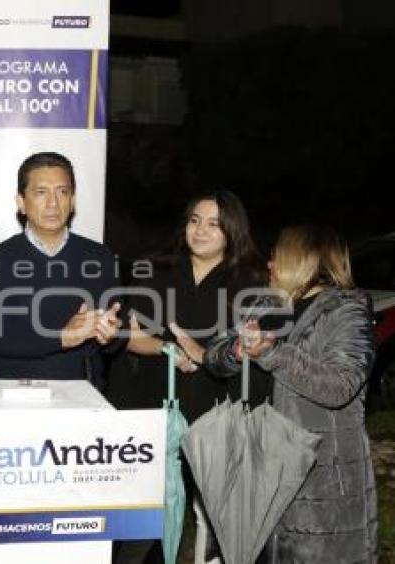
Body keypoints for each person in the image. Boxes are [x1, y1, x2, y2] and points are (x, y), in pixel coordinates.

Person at [111, 191, 268, 564]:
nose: (200, 231)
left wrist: (206, 355)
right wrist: (171, 349)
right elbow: (129, 336)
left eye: (214, 224)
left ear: (232, 231)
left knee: (222, 521)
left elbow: (254, 346)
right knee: (146, 519)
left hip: (218, 411)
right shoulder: (155, 269)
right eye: (195, 220)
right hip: (157, 409)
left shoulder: (250, 280)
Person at [204, 225, 377, 562]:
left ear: (301, 261)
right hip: (257, 468)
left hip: (316, 479)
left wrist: (271, 354)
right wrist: (237, 349)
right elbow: (214, 355)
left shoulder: (345, 311)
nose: (269, 265)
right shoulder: (267, 305)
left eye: (277, 258)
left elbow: (340, 385)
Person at [0, 152, 123, 385]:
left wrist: (110, 336)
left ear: (73, 201)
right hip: (13, 396)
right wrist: (61, 338)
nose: (53, 203)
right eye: (41, 193)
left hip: (82, 396)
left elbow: (115, 338)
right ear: (21, 203)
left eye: (62, 192)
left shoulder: (99, 257)